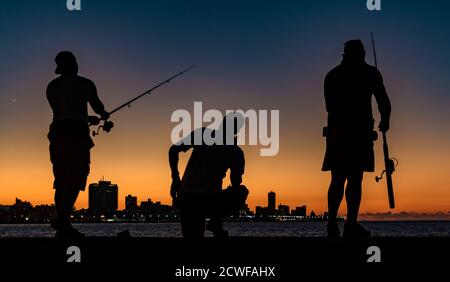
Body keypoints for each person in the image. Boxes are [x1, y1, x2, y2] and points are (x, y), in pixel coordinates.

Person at [322, 40, 391, 238]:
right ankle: (348, 224)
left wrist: (385, 117)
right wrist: (385, 119)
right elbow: (383, 100)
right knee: (352, 178)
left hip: (339, 133)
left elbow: (329, 106)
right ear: (361, 53)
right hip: (355, 132)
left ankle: (335, 224)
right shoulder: (370, 73)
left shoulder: (332, 75)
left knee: (340, 178)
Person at [47, 51, 110, 238]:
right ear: (73, 64)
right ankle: (63, 222)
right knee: (76, 176)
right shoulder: (85, 83)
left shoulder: (52, 86)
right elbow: (98, 108)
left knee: (61, 178)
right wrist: (103, 115)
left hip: (58, 132)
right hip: (77, 134)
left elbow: (65, 111)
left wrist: (84, 118)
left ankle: (62, 220)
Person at [169, 114, 249, 238]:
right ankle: (216, 222)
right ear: (237, 131)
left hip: (188, 198)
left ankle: (214, 224)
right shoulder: (235, 151)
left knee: (193, 242)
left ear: (222, 124)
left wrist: (175, 178)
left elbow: (173, 150)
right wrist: (234, 158)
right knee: (241, 191)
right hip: (211, 201)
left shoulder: (202, 134)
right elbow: (236, 182)